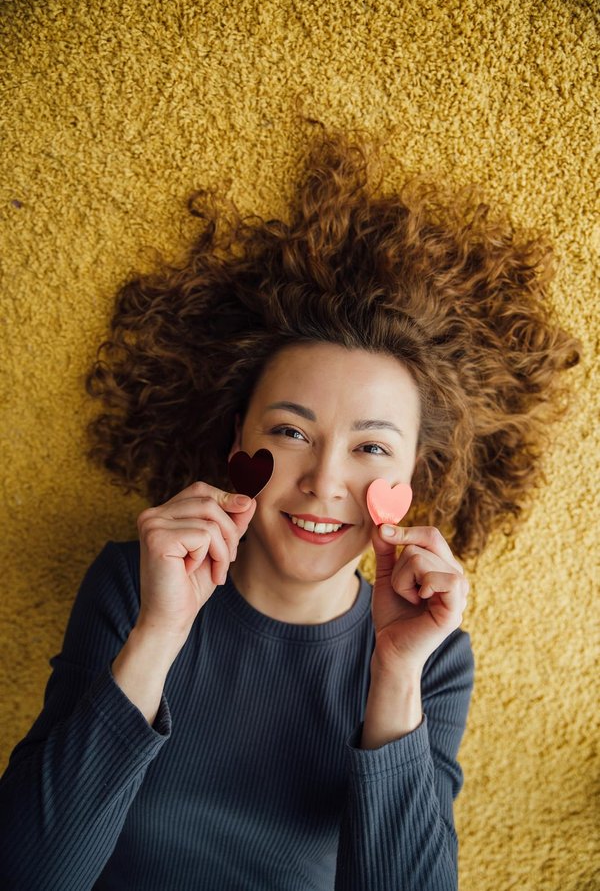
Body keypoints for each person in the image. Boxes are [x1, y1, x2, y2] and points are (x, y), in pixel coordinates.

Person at [0, 121, 580, 891]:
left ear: (414, 476)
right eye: (290, 432)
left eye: (371, 448)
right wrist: (160, 630)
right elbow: (29, 874)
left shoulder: (435, 661)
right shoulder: (132, 584)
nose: (322, 481)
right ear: (236, 436)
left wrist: (394, 675)